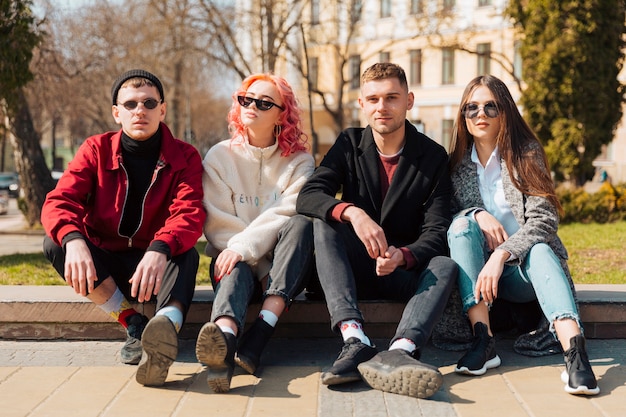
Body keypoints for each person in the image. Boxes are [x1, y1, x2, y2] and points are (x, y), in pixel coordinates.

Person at [296, 62, 457, 399]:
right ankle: (354, 340)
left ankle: (401, 350)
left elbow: (438, 228)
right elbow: (309, 196)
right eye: (373, 99)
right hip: (351, 268)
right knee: (325, 223)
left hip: (401, 273)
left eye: (391, 98)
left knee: (445, 265)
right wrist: (352, 212)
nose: (381, 107)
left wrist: (404, 255)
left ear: (409, 101)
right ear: (362, 104)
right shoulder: (348, 143)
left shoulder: (432, 155)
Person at [42, 69, 206, 387]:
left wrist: (160, 248)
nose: (139, 111)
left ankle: (165, 331)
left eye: (148, 103)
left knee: (186, 254)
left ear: (162, 109)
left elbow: (189, 213)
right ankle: (133, 323)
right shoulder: (95, 149)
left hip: (156, 267)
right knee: (55, 243)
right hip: (108, 267)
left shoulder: (185, 156)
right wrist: (73, 239)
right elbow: (59, 201)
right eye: (130, 104)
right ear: (117, 113)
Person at [447, 74, 599, 395]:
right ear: (463, 116)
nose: (481, 114)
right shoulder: (457, 165)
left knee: (542, 249)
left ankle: (575, 351)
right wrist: (476, 213)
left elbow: (544, 221)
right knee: (461, 225)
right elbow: (444, 217)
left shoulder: (525, 154)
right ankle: (482, 339)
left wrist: (502, 254)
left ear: (505, 112)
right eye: (471, 108)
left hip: (521, 273)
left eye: (491, 106)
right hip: (477, 280)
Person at [195, 73, 315, 393]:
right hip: (236, 266)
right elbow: (218, 223)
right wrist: (253, 261)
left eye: (264, 103)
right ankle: (224, 342)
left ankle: (257, 335)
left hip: (284, 270)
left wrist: (259, 261)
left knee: (302, 225)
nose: (252, 107)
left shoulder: (300, 162)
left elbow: (288, 213)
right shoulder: (219, 157)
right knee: (232, 264)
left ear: (282, 114)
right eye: (246, 99)